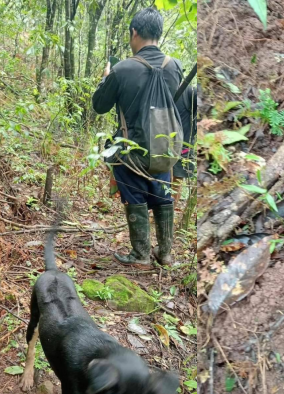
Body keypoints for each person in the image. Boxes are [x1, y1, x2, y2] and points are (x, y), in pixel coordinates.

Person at [92, 8, 183, 269]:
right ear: (159, 33)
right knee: (163, 193)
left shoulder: (122, 69)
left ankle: (141, 255)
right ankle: (165, 254)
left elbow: (100, 105)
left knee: (135, 195)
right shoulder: (174, 66)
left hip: (131, 150)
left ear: (134, 32)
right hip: (165, 148)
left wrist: (105, 79)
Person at [172, 83, 197, 204]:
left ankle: (167, 218)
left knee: (175, 183)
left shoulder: (189, 92)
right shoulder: (154, 89)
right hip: (157, 149)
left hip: (182, 149)